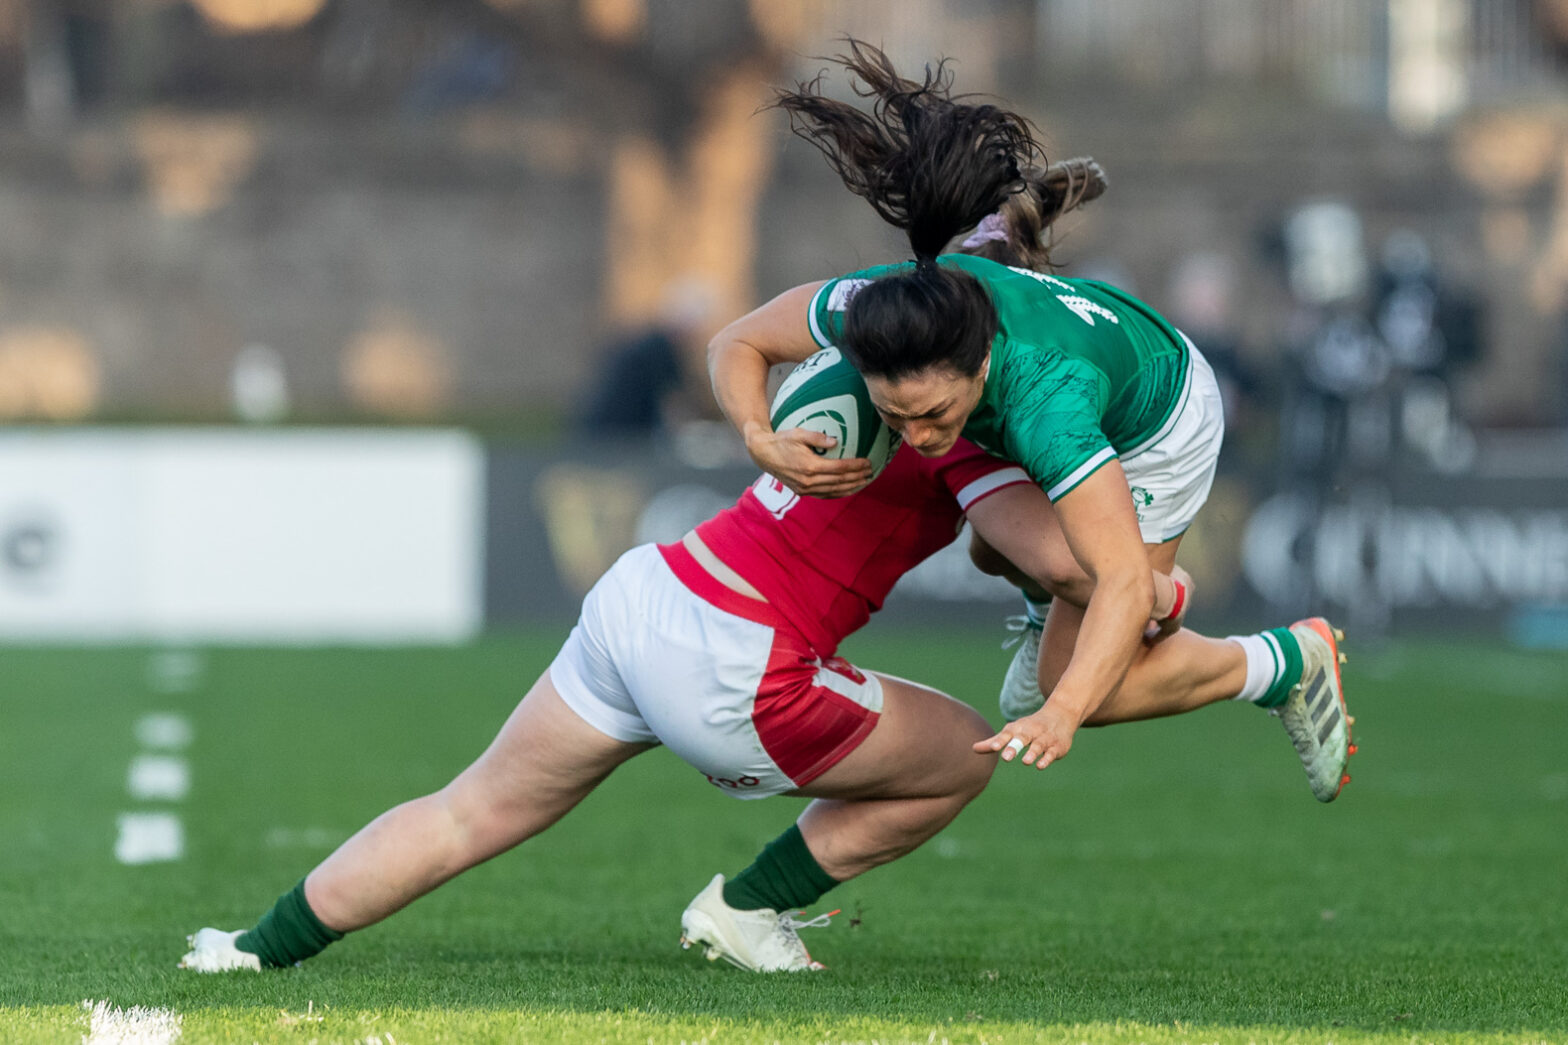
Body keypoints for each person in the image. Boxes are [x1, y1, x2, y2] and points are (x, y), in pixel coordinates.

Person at [178, 434, 1197, 977]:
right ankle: (749, 909)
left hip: (653, 589)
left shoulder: (851, 327)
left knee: (467, 808)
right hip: (737, 659)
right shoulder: (962, 406)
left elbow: (740, 341)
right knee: (967, 753)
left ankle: (249, 948)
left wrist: (754, 420)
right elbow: (1058, 563)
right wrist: (1151, 584)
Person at [706, 40, 1353, 800]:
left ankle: (1284, 658)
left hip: (1162, 416)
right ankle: (1092, 601)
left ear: (978, 367)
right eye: (895, 415)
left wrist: (1065, 713)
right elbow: (737, 340)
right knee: (991, 552)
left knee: (1080, 666)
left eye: (934, 414)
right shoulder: (884, 304)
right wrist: (759, 436)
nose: (913, 439)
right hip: (1048, 363)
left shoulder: (1051, 403)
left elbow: (1112, 580)